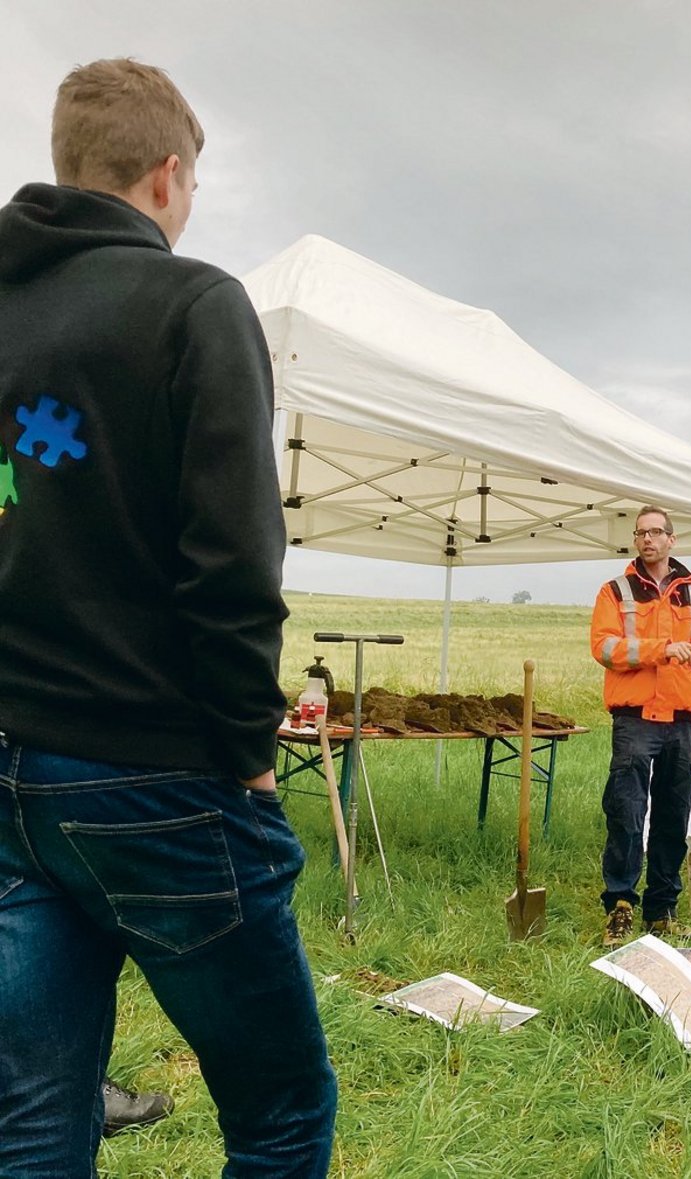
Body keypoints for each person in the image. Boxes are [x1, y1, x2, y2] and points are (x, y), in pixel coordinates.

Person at [0, 59, 336, 1174]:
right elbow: (234, 558)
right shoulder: (191, 303)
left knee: (37, 1120)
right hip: (153, 770)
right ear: (168, 175)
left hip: (9, 772)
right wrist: (246, 744)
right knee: (281, 1113)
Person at [591, 506, 691, 945]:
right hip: (635, 719)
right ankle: (620, 907)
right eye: (641, 532)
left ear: (671, 540)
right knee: (625, 813)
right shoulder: (615, 591)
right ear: (636, 539)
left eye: (657, 532)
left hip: (681, 720)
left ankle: (661, 910)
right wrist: (662, 648)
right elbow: (603, 648)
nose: (648, 539)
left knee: (671, 817)